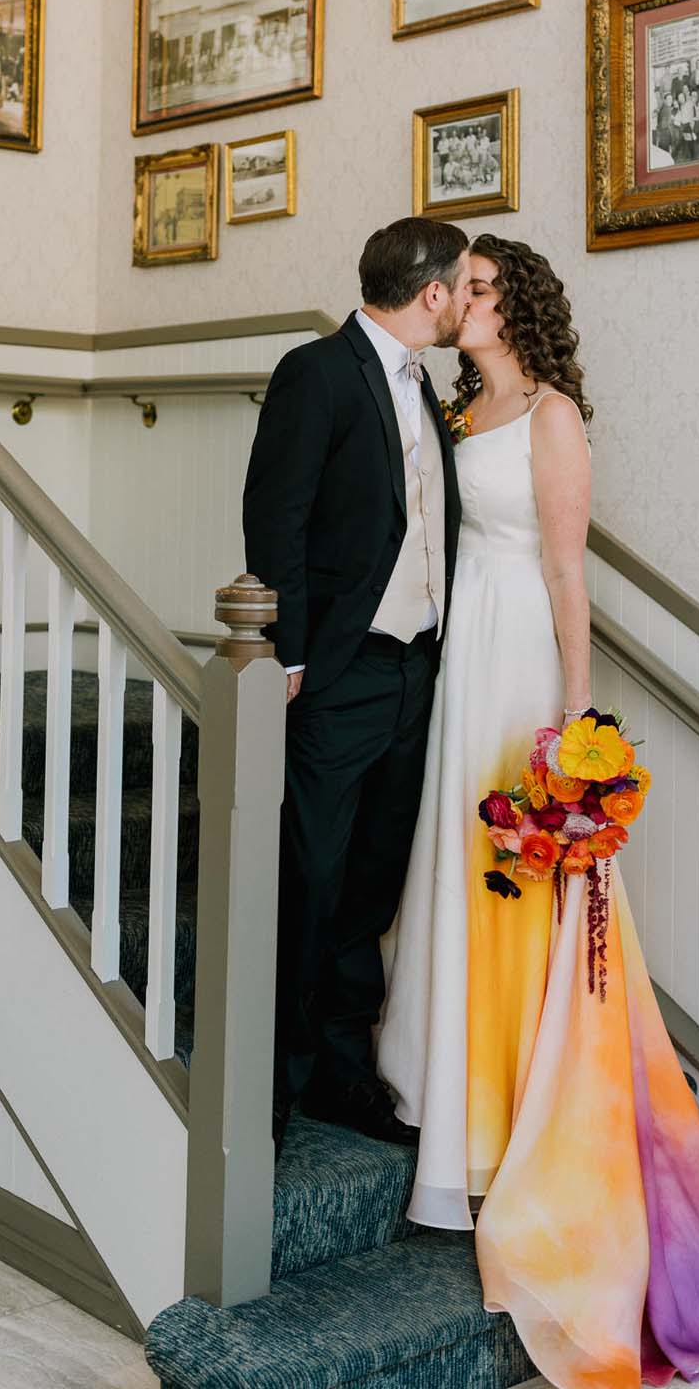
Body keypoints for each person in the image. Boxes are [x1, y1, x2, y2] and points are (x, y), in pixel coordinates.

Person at [377, 234, 699, 1388]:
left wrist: (574, 724)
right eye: (453, 286)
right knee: (461, 873)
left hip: (522, 660)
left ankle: (524, 1129)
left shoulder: (553, 418)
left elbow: (569, 572)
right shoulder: (459, 411)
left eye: (474, 287)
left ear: (511, 304)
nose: (456, 300)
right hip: (462, 656)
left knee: (525, 893)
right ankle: (456, 1134)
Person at [244, 218, 470, 1152]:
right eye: (461, 286)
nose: (465, 301)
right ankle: (269, 1089)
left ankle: (343, 1074)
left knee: (370, 888)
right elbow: (276, 515)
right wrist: (289, 658)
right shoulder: (319, 371)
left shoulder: (428, 387)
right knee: (311, 878)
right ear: (430, 294)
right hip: (336, 676)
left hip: (417, 674)